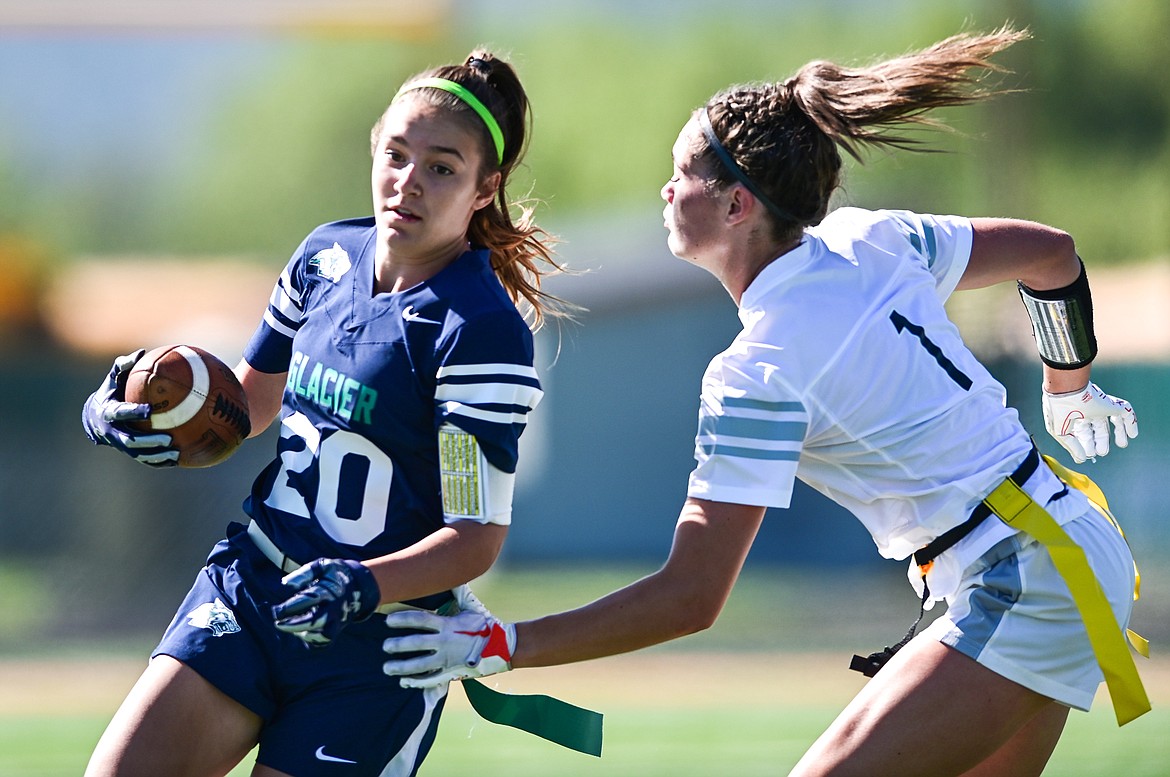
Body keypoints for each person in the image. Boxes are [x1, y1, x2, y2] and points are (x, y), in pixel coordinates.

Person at [380, 27, 1148, 777]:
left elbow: (690, 596)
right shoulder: (868, 236)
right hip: (1066, 543)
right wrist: (1068, 385)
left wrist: (502, 641)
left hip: (1023, 570)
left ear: (738, 205)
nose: (666, 187)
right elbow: (1051, 254)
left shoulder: (761, 366)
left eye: (682, 171)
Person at [80, 50, 565, 777]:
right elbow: (246, 403)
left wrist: (363, 582)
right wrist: (121, 406)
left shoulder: (479, 328)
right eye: (397, 154)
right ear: (376, 144)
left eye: (442, 167)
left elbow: (473, 537)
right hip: (253, 589)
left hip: (374, 645)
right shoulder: (325, 257)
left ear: (484, 187)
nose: (408, 182)